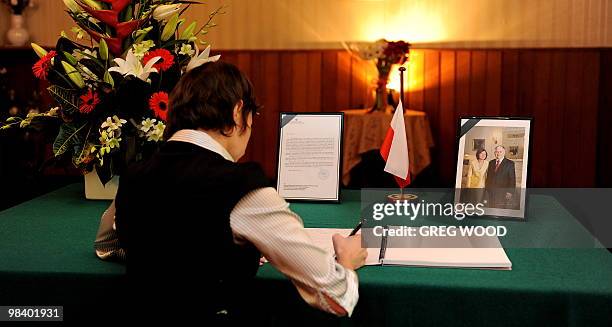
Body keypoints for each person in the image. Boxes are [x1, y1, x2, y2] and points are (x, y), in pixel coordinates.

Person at [95, 61, 366, 323]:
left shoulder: (136, 174)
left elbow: (106, 245)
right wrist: (347, 261)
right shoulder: (241, 187)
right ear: (238, 112)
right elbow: (335, 295)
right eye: (252, 115)